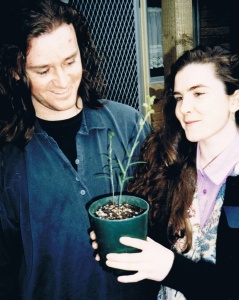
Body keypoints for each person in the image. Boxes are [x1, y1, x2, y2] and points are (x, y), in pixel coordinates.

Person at [0, 0, 152, 299]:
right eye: (42, 70)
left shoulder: (129, 124)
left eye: (70, 61)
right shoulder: (7, 155)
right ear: (16, 71)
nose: (62, 81)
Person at [91, 45, 239, 300]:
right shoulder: (170, 161)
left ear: (234, 99)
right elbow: (157, 242)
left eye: (199, 93)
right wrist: (122, 242)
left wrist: (171, 268)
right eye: (180, 97)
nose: (184, 109)